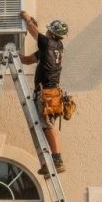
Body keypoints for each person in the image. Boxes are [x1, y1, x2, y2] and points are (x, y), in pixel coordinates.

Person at [19, 10, 68, 175]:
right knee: (43, 127)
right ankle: (50, 162)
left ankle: (57, 159)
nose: (45, 32)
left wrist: (26, 18)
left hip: (46, 93)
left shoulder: (48, 44)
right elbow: (27, 60)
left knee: (47, 126)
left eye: (48, 31)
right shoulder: (54, 47)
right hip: (50, 93)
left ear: (51, 33)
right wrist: (13, 56)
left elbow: (34, 32)